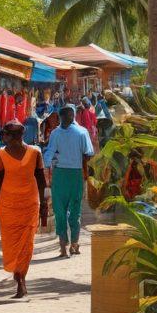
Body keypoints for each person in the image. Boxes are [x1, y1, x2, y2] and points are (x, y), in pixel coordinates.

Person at [0, 120, 46, 298]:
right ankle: (21, 276)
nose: (3, 138)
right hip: (30, 204)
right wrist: (43, 204)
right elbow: (42, 181)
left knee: (11, 242)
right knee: (26, 243)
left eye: (5, 134)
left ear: (9, 136)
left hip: (8, 206)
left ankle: (19, 276)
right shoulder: (35, 153)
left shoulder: (1, 155)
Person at [44, 104, 93, 257]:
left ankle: (64, 247)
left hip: (60, 175)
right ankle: (73, 244)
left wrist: (46, 169)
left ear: (61, 117)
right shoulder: (82, 132)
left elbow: (48, 155)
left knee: (60, 211)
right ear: (72, 116)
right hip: (75, 175)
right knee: (74, 211)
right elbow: (89, 153)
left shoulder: (55, 133)